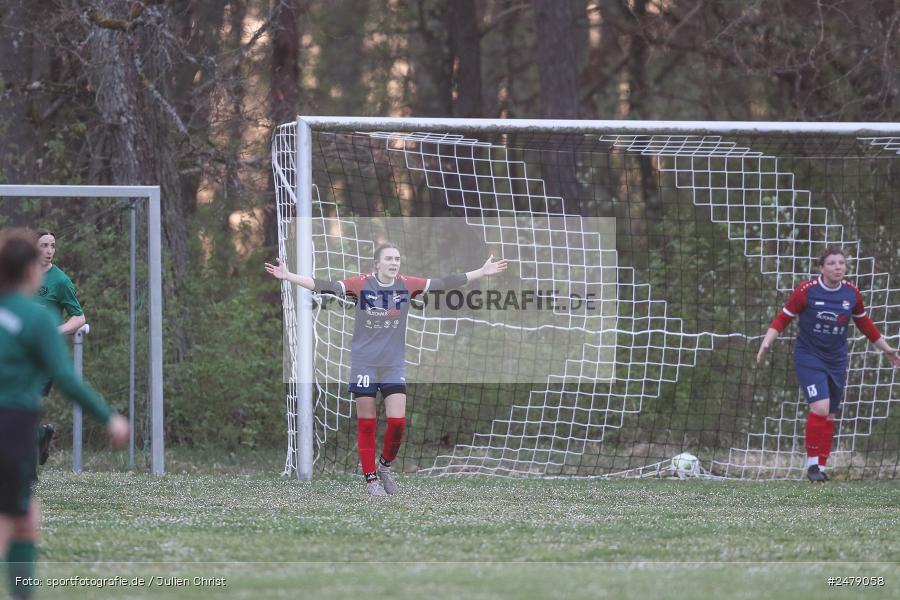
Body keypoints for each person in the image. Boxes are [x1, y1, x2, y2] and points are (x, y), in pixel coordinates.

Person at [266, 242, 507, 496]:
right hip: (364, 364)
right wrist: (288, 276)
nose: (394, 263)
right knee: (367, 423)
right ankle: (371, 480)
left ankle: (384, 467)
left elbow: (442, 283)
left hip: (392, 364)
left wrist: (481, 272)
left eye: (398, 259)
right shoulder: (361, 284)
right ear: (377, 264)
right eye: (389, 259)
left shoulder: (406, 284)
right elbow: (325, 285)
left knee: (397, 422)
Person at [0, 229, 129, 599]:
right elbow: (66, 378)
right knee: (20, 520)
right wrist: (108, 417)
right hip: (12, 424)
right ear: (29, 270)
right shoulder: (34, 317)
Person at [756, 246, 900, 482]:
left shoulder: (851, 294)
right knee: (820, 408)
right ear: (821, 268)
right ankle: (812, 466)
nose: (837, 267)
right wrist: (767, 342)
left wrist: (887, 350)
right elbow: (783, 318)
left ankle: (821, 467)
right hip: (809, 357)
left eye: (841, 263)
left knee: (830, 414)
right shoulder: (806, 291)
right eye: (832, 263)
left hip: (837, 359)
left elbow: (865, 325)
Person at [33, 229, 87, 466]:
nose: (48, 251)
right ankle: (42, 435)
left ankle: (27, 476)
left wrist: (57, 331)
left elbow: (79, 317)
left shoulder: (61, 281)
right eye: (44, 245)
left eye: (52, 245)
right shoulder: (21, 276)